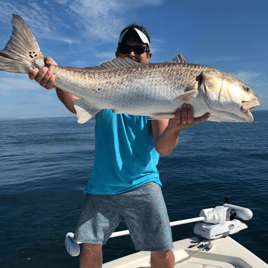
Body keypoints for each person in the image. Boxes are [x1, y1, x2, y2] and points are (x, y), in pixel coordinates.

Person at [29, 24, 210, 268]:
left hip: (144, 181)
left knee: (163, 248)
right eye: (126, 48)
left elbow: (163, 149)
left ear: (149, 56)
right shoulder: (104, 86)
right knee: (89, 246)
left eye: (139, 49)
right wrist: (56, 81)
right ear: (117, 55)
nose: (132, 54)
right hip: (103, 183)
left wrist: (175, 127)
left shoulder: (160, 94)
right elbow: (74, 105)